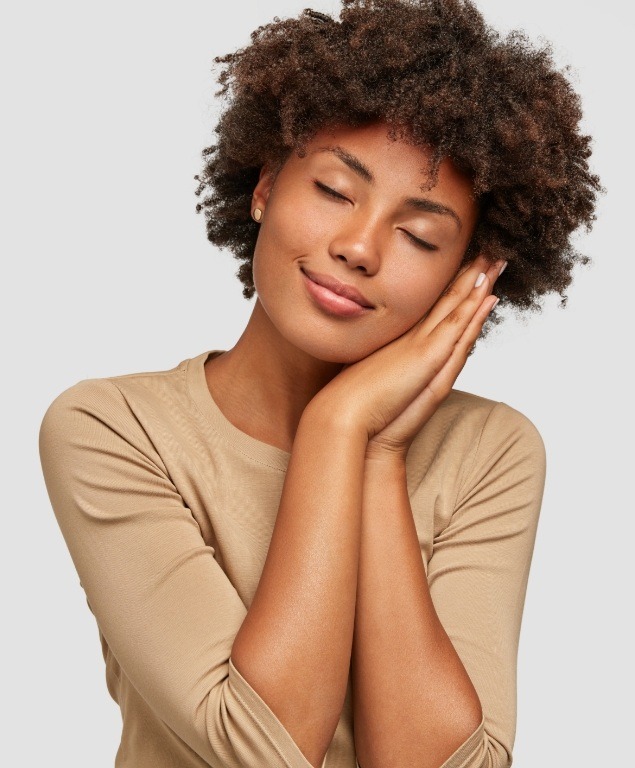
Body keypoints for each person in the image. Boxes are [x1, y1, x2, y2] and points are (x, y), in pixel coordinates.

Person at [38, 1, 600, 767]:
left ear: (468, 274)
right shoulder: (113, 428)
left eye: (419, 234)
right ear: (266, 184)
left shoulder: (490, 452)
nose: (359, 247)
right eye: (335, 190)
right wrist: (341, 428)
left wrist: (369, 450)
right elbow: (256, 751)